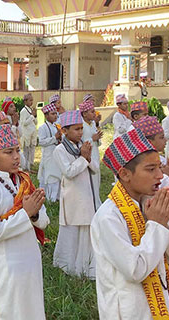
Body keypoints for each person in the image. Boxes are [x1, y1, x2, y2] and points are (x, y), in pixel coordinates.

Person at [92, 128, 169, 320]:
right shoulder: (108, 217)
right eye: (151, 169)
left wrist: (162, 221)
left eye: (159, 167)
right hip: (128, 315)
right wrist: (156, 224)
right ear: (124, 174)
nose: (160, 175)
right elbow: (135, 270)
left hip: (157, 307)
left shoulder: (148, 203)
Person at [0, 124, 49, 320]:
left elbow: (44, 220)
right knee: (10, 315)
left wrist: (33, 216)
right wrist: (26, 214)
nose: (17, 156)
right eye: (9, 152)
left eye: (17, 150)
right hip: (5, 265)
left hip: (29, 259)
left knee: (31, 311)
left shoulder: (23, 181)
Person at [133, 116, 169, 290]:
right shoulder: (139, 164)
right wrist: (167, 176)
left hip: (165, 211)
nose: (165, 139)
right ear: (148, 141)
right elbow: (159, 187)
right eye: (160, 137)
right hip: (154, 212)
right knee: (159, 248)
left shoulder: (162, 160)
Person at [53, 110, 99, 279]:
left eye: (81, 128)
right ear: (64, 131)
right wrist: (83, 158)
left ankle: (84, 266)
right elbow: (69, 172)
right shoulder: (60, 150)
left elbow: (95, 168)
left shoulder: (82, 146)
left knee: (86, 228)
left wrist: (86, 157)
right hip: (72, 196)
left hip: (86, 194)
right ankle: (66, 264)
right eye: (76, 129)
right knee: (71, 229)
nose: (80, 132)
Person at [80, 101, 103, 206]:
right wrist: (92, 138)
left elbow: (96, 141)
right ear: (84, 114)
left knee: (96, 179)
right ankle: (92, 204)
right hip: (87, 156)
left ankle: (97, 201)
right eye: (92, 111)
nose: (95, 114)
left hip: (95, 154)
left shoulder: (93, 123)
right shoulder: (81, 125)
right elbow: (81, 142)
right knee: (90, 180)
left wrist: (97, 138)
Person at [37, 103, 62, 201]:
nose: (55, 116)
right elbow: (42, 142)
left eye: (56, 113)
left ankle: (57, 196)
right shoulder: (43, 127)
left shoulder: (56, 126)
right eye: (52, 114)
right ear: (46, 115)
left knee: (58, 174)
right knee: (51, 176)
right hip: (49, 155)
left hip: (57, 154)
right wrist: (54, 138)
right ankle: (50, 197)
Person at [19, 94, 38, 171]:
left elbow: (36, 122)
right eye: (30, 100)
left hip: (33, 133)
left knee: (32, 149)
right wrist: (32, 116)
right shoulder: (23, 111)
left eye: (32, 100)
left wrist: (35, 116)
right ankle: (25, 167)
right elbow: (24, 123)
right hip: (26, 133)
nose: (31, 102)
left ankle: (30, 165)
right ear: (25, 101)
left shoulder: (31, 110)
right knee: (26, 151)